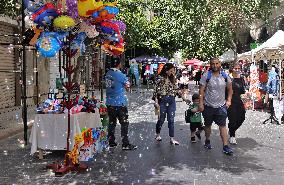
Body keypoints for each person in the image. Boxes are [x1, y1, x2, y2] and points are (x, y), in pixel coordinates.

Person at [199, 57, 234, 155]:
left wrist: (229, 101)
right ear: (210, 65)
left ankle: (225, 146)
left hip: (221, 106)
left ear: (220, 64)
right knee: (208, 125)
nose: (215, 65)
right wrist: (201, 103)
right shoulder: (206, 76)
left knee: (222, 126)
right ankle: (207, 140)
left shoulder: (225, 76)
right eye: (213, 64)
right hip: (208, 106)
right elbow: (201, 91)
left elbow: (230, 89)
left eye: (217, 63)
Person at [105, 58, 137, 150]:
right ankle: (125, 144)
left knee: (112, 123)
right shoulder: (121, 75)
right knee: (124, 124)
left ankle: (111, 142)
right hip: (119, 104)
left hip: (109, 103)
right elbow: (128, 87)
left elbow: (110, 86)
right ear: (119, 64)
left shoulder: (107, 74)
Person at [152, 63, 180, 145]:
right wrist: (156, 102)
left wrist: (184, 98)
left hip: (171, 100)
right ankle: (157, 134)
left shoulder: (173, 78)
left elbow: (176, 89)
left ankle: (172, 138)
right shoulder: (159, 78)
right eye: (171, 70)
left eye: (173, 70)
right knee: (161, 119)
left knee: (171, 120)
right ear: (166, 70)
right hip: (162, 101)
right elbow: (155, 91)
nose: (172, 72)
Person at [227, 63, 246, 145]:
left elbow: (242, 91)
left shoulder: (241, 78)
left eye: (239, 68)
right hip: (230, 101)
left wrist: (246, 94)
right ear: (232, 69)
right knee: (233, 119)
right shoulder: (228, 78)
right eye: (236, 68)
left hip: (239, 100)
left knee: (242, 117)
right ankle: (232, 136)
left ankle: (231, 130)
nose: (237, 70)